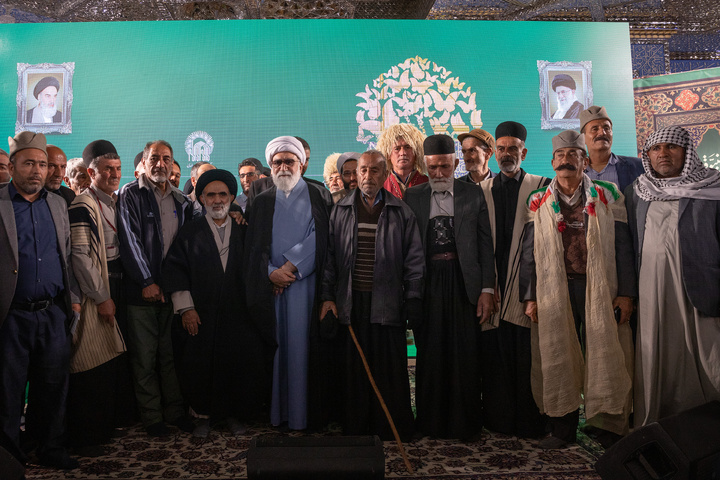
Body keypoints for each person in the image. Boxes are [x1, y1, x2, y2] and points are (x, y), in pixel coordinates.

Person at [520, 130, 635, 449]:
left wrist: (626, 293)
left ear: (584, 161)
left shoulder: (608, 193)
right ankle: (562, 429)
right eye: (561, 156)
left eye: (574, 155)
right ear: (553, 161)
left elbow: (624, 245)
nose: (566, 160)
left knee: (606, 352)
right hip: (555, 291)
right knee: (558, 356)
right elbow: (529, 251)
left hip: (601, 289)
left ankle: (608, 426)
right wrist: (530, 297)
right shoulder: (538, 199)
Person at [321, 150, 423, 440]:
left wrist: (413, 298)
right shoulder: (339, 210)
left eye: (374, 171)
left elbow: (414, 261)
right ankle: (355, 427)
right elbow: (329, 260)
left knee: (388, 369)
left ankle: (388, 427)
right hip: (351, 301)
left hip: (387, 302)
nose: (366, 177)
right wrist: (328, 299)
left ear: (385, 174)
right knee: (354, 368)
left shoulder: (401, 212)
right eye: (362, 171)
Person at [164, 169, 269, 438]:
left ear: (233, 197)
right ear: (201, 199)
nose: (217, 199)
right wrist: (187, 308)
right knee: (199, 365)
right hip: (202, 314)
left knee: (238, 363)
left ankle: (234, 415)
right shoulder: (190, 232)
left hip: (239, 314)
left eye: (223, 194)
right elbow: (176, 270)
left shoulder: (245, 230)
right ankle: (202, 416)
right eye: (210, 195)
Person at [626, 126, 720, 426]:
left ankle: (708, 427)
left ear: (687, 152)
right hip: (652, 289)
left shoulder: (712, 186)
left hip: (701, 286)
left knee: (709, 356)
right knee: (657, 353)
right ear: (648, 155)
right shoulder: (637, 191)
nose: (663, 154)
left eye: (672, 147)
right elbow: (627, 244)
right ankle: (657, 424)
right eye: (656, 149)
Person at [404, 135, 494, 439]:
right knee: (430, 352)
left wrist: (487, 290)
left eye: (445, 166)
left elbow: (485, 244)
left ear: (455, 163)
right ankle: (430, 422)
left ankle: (465, 424)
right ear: (425, 166)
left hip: (462, 281)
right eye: (433, 168)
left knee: (465, 354)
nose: (439, 173)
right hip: (428, 283)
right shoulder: (412, 195)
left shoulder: (473, 193)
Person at [0, 131, 79, 470]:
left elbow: (67, 256)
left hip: (51, 314)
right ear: (13, 164)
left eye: (42, 164)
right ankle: (9, 457)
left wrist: (72, 303)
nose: (36, 170)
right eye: (29, 163)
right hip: (10, 317)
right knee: (7, 393)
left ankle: (50, 449)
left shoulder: (59, 204)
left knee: (52, 389)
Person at [244, 136, 333, 431]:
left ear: (302, 164)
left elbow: (322, 237)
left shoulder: (319, 195)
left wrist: (289, 267)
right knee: (277, 347)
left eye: (289, 161)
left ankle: (302, 415)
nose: (283, 166)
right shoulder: (261, 201)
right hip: (271, 289)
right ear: (270, 167)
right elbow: (252, 246)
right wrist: (270, 272)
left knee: (302, 348)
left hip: (304, 287)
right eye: (277, 162)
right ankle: (277, 414)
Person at [117, 140, 195, 437]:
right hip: (142, 294)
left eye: (166, 158)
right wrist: (147, 281)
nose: (160, 164)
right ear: (144, 161)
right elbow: (129, 240)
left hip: (173, 293)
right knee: (145, 358)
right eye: (154, 158)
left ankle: (175, 412)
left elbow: (187, 246)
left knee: (170, 356)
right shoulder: (130, 194)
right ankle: (152, 418)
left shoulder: (182, 200)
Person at [479, 121, 550, 438]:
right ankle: (498, 419)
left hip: (527, 287)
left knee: (527, 357)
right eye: (502, 148)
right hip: (492, 284)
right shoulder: (482, 190)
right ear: (495, 153)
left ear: (524, 152)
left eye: (513, 149)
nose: (507, 154)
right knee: (495, 357)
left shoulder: (542, 186)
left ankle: (529, 421)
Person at [66, 140, 133, 454]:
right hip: (96, 291)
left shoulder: (116, 201)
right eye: (107, 169)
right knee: (92, 362)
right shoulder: (83, 203)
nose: (114, 174)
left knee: (111, 359)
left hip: (116, 283)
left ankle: (105, 428)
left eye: (118, 169)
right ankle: (87, 437)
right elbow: (80, 257)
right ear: (90, 172)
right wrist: (102, 296)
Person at [581, 106, 644, 192]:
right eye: (595, 129)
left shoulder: (638, 166)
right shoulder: (576, 172)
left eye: (606, 128)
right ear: (583, 138)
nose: (602, 133)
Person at [377, 123, 428, 199]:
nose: (403, 153)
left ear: (416, 151)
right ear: (388, 154)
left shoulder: (427, 184)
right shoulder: (380, 186)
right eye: (397, 148)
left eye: (407, 147)